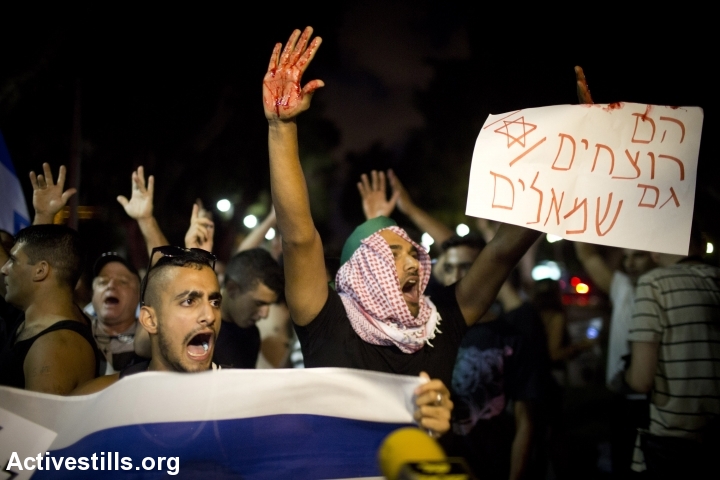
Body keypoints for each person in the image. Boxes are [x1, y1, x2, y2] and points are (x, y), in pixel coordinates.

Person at [263, 27, 540, 436]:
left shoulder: (441, 319)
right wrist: (281, 128)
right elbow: (300, 237)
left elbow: (499, 253)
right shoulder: (327, 320)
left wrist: (562, 178)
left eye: (412, 251)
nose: (412, 260)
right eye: (391, 253)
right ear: (361, 269)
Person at [624, 234, 720, 478]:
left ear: (655, 253)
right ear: (700, 244)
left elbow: (641, 380)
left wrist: (625, 376)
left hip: (674, 440)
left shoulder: (654, 283)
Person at [73, 246, 222, 394]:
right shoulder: (99, 398)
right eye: (189, 301)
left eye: (215, 302)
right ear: (150, 320)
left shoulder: (240, 397)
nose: (209, 316)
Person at [0, 224, 100, 394]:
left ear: (41, 270)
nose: (4, 269)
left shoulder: (56, 346)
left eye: (13, 260)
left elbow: (34, 420)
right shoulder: (30, 319)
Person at [213, 248, 284, 369]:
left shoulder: (251, 336)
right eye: (259, 303)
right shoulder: (200, 327)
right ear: (232, 289)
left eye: (269, 304)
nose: (265, 314)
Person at [88, 252, 143, 373]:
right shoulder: (79, 335)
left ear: (139, 295)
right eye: (103, 282)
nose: (111, 285)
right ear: (92, 294)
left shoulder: (151, 339)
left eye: (123, 282)